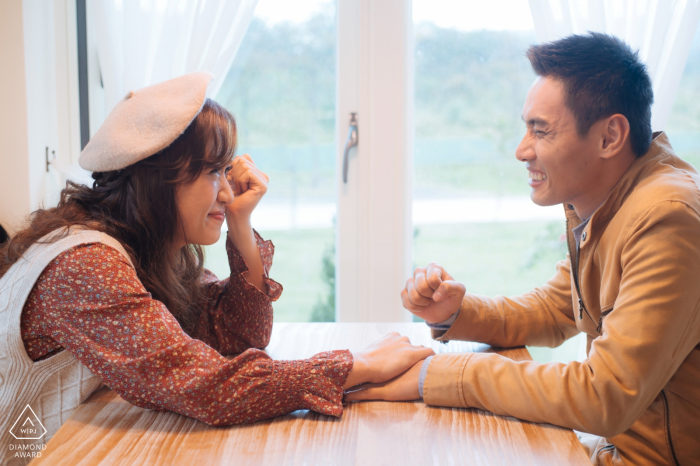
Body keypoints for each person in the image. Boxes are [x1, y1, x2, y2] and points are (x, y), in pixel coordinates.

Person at [0, 72, 434, 462]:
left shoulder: (149, 248)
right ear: (158, 177)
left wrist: (241, 226)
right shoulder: (86, 264)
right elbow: (209, 386)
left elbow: (237, 333)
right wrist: (354, 364)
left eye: (226, 170)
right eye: (212, 172)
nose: (227, 192)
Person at [345, 33, 700, 465]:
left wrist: (439, 375)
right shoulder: (613, 201)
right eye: (526, 127)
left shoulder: (666, 218)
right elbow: (558, 308)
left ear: (610, 136)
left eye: (541, 131)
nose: (521, 150)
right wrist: (456, 313)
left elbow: (605, 394)